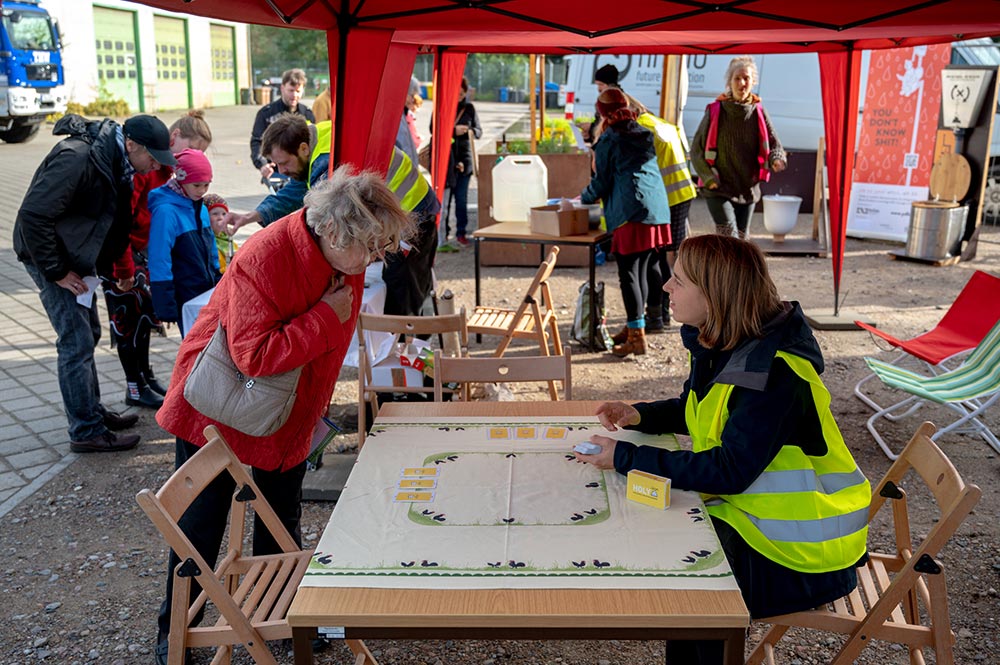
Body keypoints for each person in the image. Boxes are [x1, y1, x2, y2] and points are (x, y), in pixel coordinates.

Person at [152, 168, 414, 665]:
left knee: (281, 514)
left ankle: (289, 618)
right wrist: (324, 318)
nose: (373, 259)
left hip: (288, 406)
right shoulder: (266, 255)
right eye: (369, 247)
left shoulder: (341, 252)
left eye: (379, 247)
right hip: (222, 403)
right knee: (201, 525)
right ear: (332, 230)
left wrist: (315, 406)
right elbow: (253, 355)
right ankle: (175, 632)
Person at [578, 235, 870, 664]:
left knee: (687, 580)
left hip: (803, 553)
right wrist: (641, 415)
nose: (666, 287)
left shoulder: (774, 373)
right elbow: (702, 409)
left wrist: (624, 458)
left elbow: (729, 470)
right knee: (668, 548)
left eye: (679, 281)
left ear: (715, 295)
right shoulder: (729, 342)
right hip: (755, 521)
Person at [13, 113, 175, 452]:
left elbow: (116, 224)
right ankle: (86, 430)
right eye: (153, 157)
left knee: (89, 334)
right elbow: (33, 215)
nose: (155, 166)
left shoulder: (119, 162)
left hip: (74, 256)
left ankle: (92, 411)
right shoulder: (77, 157)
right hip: (50, 258)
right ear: (131, 144)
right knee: (76, 342)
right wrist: (57, 271)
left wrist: (121, 271)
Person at [225, 113, 441, 317]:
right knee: (409, 283)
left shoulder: (326, 160)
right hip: (405, 210)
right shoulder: (316, 139)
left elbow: (323, 220)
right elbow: (296, 189)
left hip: (412, 212)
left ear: (302, 148)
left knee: (402, 290)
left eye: (284, 163)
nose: (281, 171)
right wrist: (252, 216)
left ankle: (408, 339)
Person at [108, 109, 213, 408]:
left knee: (144, 319)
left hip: (143, 253)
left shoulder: (172, 172)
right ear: (174, 137)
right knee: (129, 320)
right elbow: (124, 220)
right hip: (125, 254)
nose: (190, 157)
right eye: (191, 149)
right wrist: (125, 265)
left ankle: (145, 377)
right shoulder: (145, 168)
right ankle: (135, 385)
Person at [580, 88, 670, 358]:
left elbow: (601, 182)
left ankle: (637, 338)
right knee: (644, 268)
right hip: (655, 208)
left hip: (631, 212)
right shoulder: (643, 132)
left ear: (603, 113)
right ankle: (636, 327)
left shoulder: (610, 139)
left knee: (629, 274)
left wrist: (582, 197)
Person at [617, 92, 697, 336]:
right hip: (682, 192)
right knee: (663, 256)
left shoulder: (641, 129)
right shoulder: (659, 122)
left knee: (659, 257)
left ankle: (661, 313)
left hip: (668, 197)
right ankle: (661, 313)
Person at [690, 55, 787, 239]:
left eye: (746, 78)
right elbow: (696, 150)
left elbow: (775, 144)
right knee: (730, 237)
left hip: (747, 188)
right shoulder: (716, 110)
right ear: (729, 82)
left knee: (742, 240)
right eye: (737, 78)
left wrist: (777, 159)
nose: (742, 83)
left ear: (753, 82)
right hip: (718, 186)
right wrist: (708, 178)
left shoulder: (758, 111)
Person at [148, 149, 221, 333]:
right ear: (181, 180)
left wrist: (218, 277)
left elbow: (211, 246)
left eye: (206, 185)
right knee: (194, 343)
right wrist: (164, 301)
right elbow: (159, 257)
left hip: (205, 291)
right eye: (197, 185)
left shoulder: (200, 207)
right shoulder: (165, 212)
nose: (202, 191)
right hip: (184, 293)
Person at [434, 76, 481, 248]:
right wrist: (452, 131)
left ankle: (461, 233)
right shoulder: (442, 107)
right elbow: (434, 129)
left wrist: (467, 130)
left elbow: (479, 132)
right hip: (447, 162)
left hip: (465, 161)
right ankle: (444, 233)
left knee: (461, 199)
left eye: (462, 94)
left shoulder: (469, 108)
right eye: (457, 94)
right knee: (445, 200)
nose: (460, 97)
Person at [249, 68, 315, 181]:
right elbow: (257, 141)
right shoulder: (266, 113)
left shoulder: (307, 113)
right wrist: (263, 164)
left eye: (298, 91)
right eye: (291, 90)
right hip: (275, 172)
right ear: (282, 88)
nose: (294, 95)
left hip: (301, 171)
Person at [203, 193, 237, 273]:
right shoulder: (206, 241)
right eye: (215, 214)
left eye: (224, 214)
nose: (220, 218)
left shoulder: (228, 238)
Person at [396, 76, 423, 165]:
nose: (412, 99)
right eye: (411, 95)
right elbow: (404, 147)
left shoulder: (403, 114)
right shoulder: (398, 117)